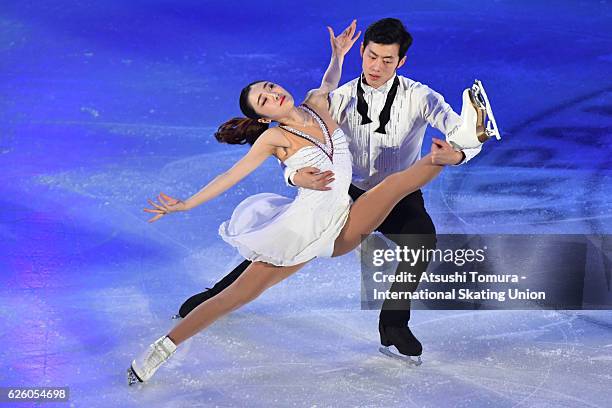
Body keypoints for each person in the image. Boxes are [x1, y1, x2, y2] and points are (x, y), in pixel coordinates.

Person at [127, 19, 482, 386]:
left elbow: (329, 81)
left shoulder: (324, 101)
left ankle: (394, 323)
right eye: (264, 100)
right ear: (263, 117)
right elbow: (236, 175)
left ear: (400, 61)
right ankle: (163, 347)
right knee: (242, 290)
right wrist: (187, 204)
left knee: (402, 197)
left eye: (270, 87)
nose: (376, 66)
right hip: (314, 219)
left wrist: (337, 54)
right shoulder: (295, 124)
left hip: (351, 212)